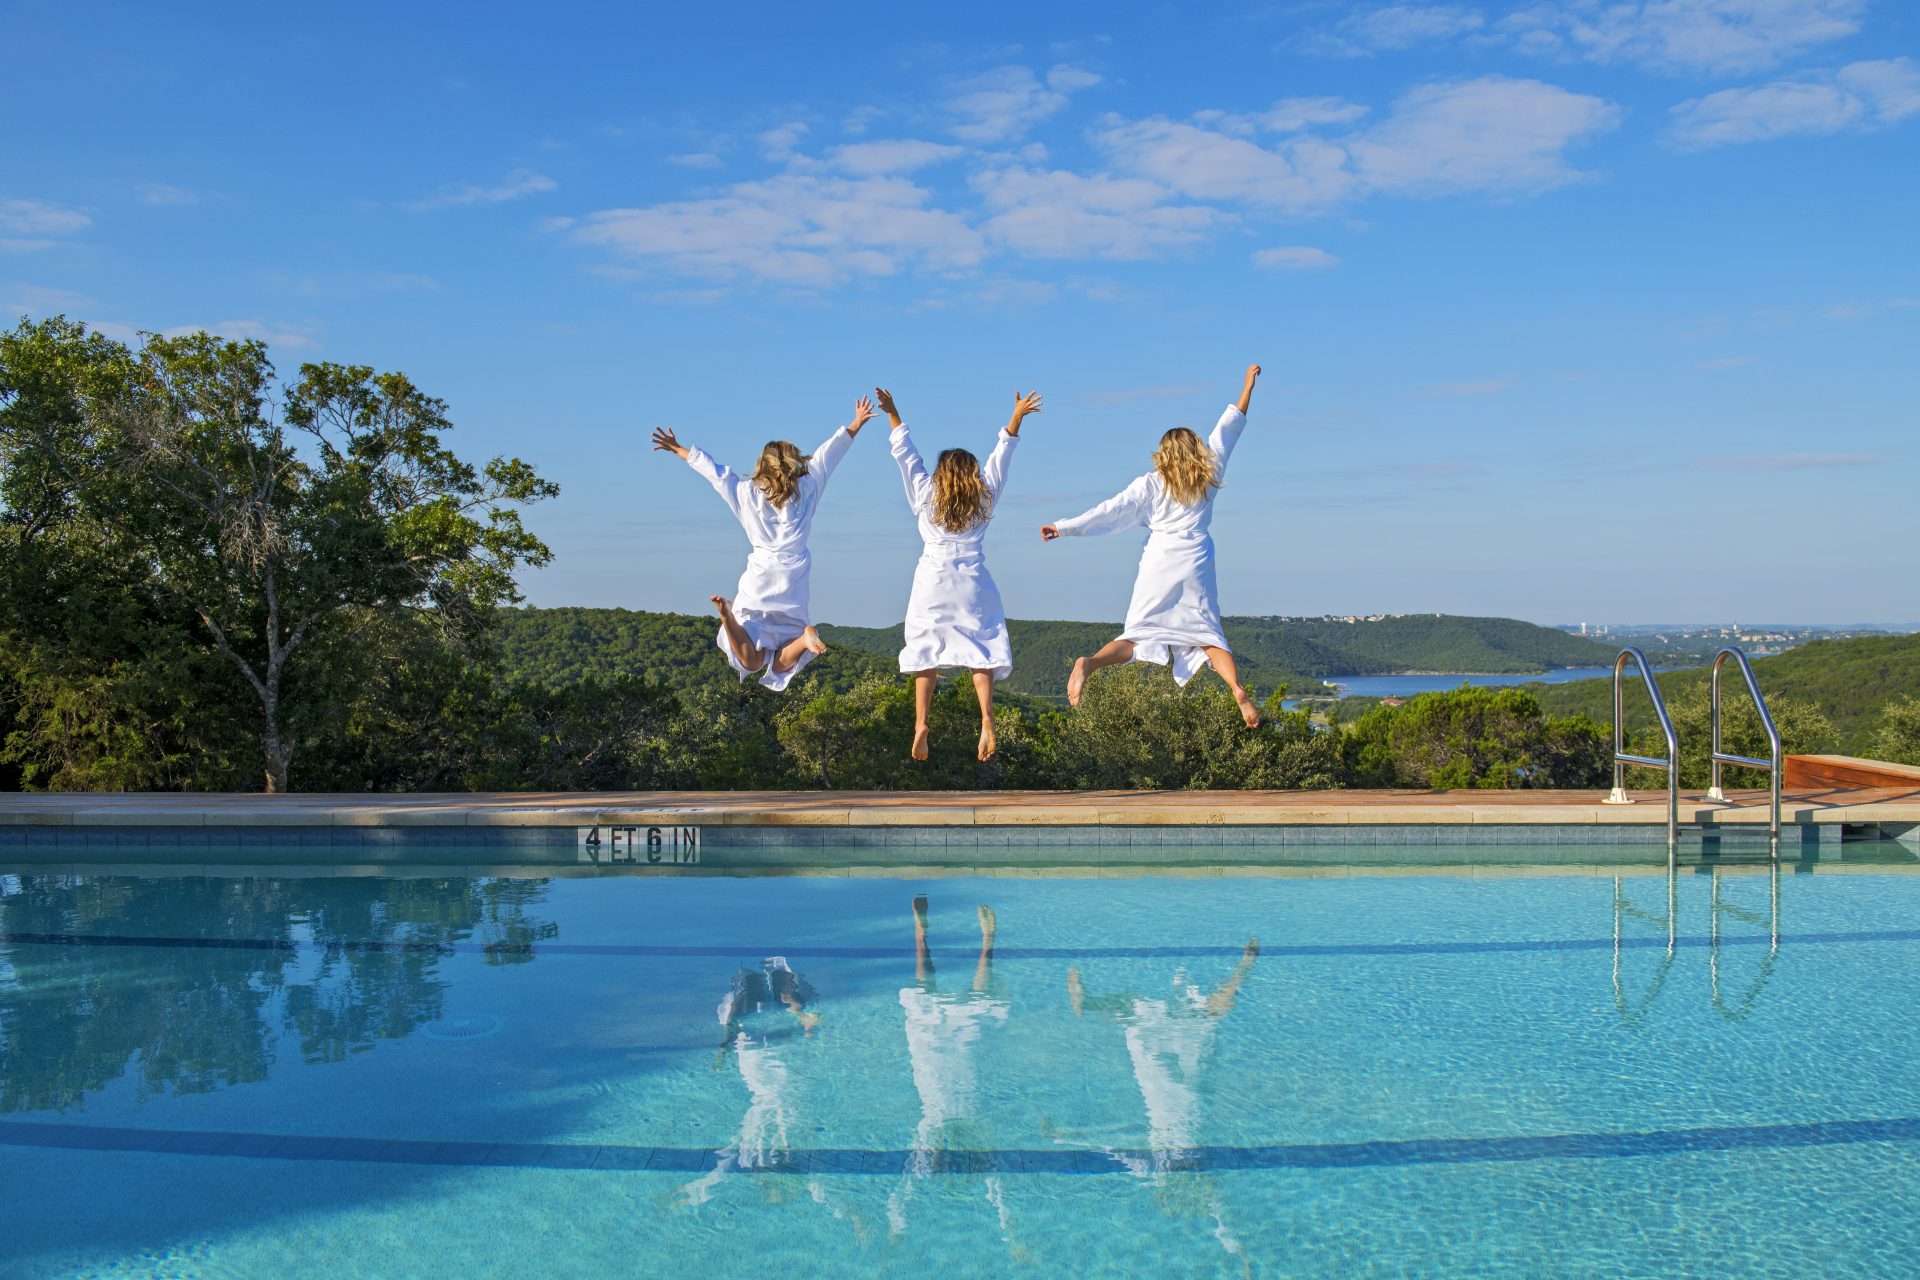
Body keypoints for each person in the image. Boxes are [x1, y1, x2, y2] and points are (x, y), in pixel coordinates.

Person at [1041, 365, 1263, 727]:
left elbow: (1108, 512)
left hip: (1158, 563)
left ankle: (1091, 663)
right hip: (1196, 560)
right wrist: (1247, 386)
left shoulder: (1150, 483)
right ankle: (1237, 688)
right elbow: (1229, 428)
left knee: (1136, 636)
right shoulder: (1210, 474)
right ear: (1194, 451)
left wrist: (1063, 528)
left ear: (1163, 453)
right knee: (1209, 637)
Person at [651, 397, 875, 691]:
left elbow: (714, 473)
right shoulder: (808, 487)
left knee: (751, 662)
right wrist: (856, 422)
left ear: (763, 465)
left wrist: (678, 448)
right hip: (793, 581)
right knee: (782, 663)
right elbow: (829, 454)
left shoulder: (747, 492)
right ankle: (803, 636)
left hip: (760, 580)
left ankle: (728, 617)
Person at [877, 387, 1043, 762]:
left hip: (932, 582)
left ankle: (921, 723)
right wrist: (1016, 415)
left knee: (925, 651)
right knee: (980, 649)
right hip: (972, 583)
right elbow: (1003, 455)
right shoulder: (983, 497)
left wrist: (893, 412)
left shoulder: (925, 493)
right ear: (971, 475)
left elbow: (905, 454)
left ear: (942, 474)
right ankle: (986, 718)